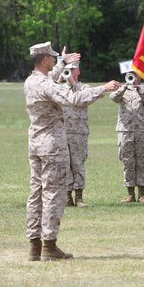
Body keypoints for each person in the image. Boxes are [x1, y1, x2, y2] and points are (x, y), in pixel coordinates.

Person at [25, 42, 119, 261]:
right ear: (46, 59)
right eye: (52, 58)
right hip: (52, 146)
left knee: (36, 194)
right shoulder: (47, 85)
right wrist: (103, 89)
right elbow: (74, 99)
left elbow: (48, 81)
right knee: (53, 194)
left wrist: (62, 62)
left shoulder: (31, 81)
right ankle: (49, 246)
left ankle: (34, 247)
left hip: (36, 144)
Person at [110, 72, 144, 203]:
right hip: (125, 130)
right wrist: (124, 87)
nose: (134, 77)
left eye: (136, 75)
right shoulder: (122, 89)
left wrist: (139, 88)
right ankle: (131, 194)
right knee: (128, 162)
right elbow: (113, 98)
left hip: (142, 130)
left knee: (142, 161)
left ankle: (142, 194)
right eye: (131, 75)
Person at [60, 62, 92, 207]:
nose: (70, 72)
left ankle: (79, 196)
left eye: (72, 70)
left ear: (78, 71)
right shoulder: (59, 88)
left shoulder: (84, 88)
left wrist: (73, 83)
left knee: (78, 163)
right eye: (68, 70)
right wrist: (60, 80)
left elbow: (85, 97)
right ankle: (67, 196)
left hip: (79, 132)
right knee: (64, 164)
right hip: (62, 131)